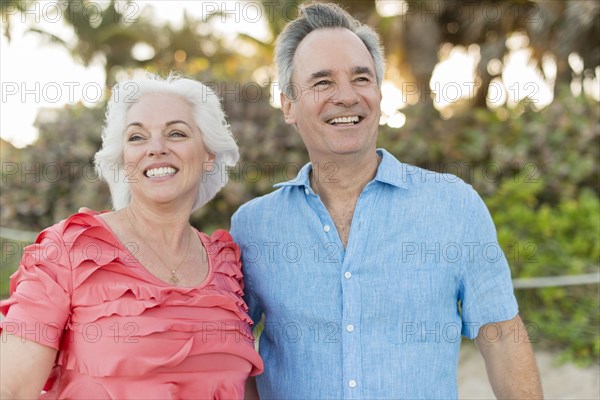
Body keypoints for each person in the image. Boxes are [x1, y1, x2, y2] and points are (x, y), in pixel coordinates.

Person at [230, 2, 543, 399]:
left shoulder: (454, 206)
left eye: (361, 78)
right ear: (288, 104)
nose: (346, 96)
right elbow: (234, 358)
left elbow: (501, 337)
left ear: (379, 92)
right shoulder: (252, 227)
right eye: (322, 82)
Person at [0, 74, 263, 399]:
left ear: (209, 155)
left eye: (176, 133)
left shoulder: (227, 267)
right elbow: (10, 390)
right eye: (137, 137)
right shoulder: (67, 249)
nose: (156, 148)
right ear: (124, 160)